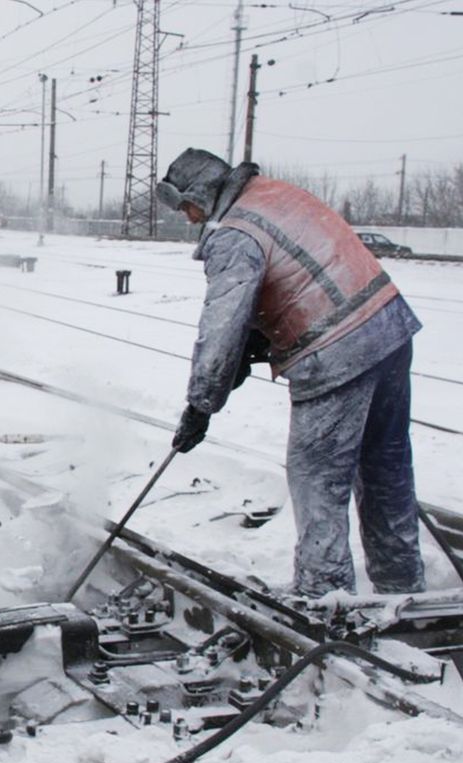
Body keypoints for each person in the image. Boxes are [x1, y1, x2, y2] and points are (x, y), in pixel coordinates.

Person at [156, 148, 425, 599]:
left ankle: (324, 598)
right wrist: (256, 343)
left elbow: (221, 325)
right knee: (385, 465)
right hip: (390, 329)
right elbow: (302, 271)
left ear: (202, 192)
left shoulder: (233, 234)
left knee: (317, 476)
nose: (188, 218)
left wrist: (201, 404)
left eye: (186, 206)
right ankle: (403, 584)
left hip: (336, 351)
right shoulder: (275, 194)